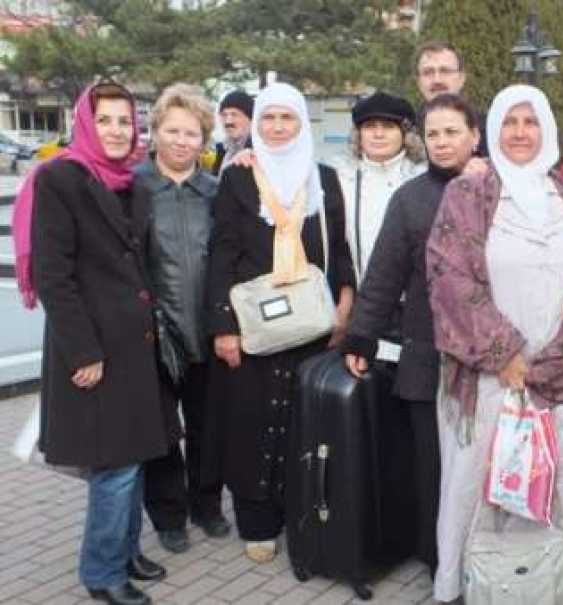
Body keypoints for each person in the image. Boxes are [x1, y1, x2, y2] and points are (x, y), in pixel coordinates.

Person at [426, 84, 563, 603]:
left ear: (547, 129)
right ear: (493, 130)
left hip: (556, 376)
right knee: (476, 483)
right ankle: (472, 585)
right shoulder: (468, 195)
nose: (521, 133)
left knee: (557, 480)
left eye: (531, 122)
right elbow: (449, 279)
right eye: (510, 122)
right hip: (487, 378)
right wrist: (505, 355)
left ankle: (551, 582)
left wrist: (551, 358)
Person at [16, 82, 176, 605]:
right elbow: (53, 276)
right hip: (95, 348)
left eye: (125, 120)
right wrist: (83, 352)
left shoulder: (133, 182)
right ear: (84, 123)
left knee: (137, 455)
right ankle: (102, 572)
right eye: (104, 120)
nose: (116, 130)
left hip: (137, 344)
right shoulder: (60, 179)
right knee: (115, 465)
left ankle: (126, 552)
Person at [205, 82, 356, 563]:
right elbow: (222, 252)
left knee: (302, 424)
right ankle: (257, 522)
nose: (276, 127)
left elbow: (339, 248)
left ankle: (299, 513)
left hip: (310, 325)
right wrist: (223, 326)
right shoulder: (238, 177)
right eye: (268, 118)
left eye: (286, 118)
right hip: (254, 324)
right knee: (251, 422)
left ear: (301, 123)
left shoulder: (323, 179)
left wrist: (345, 305)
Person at [341, 93, 482, 577]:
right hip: (426, 354)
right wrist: (362, 335)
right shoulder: (411, 199)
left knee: (479, 463)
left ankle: (482, 557)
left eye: (452, 132)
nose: (442, 142)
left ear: (474, 137)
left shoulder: (498, 189)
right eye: (433, 133)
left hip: (487, 359)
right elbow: (384, 275)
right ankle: (437, 558)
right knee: (431, 464)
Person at [134, 83, 231, 555]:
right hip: (154, 333)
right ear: (155, 132)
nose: (181, 141)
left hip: (208, 331)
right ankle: (169, 515)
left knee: (208, 428)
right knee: (162, 433)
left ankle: (206, 504)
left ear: (204, 139)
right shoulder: (133, 189)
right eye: (172, 130)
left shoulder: (216, 191)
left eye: (191, 133)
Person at [330, 91, 425, 288]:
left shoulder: (422, 177)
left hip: (414, 297)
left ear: (405, 134)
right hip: (362, 295)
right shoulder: (340, 179)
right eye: (370, 126)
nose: (378, 134)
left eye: (388, 126)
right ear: (358, 134)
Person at [414, 40, 489, 157]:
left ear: (461, 78)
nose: (437, 80)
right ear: (418, 82)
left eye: (445, 71)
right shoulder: (408, 130)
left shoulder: (488, 131)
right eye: (428, 72)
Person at [211, 90, 254, 175]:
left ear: (250, 118)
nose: (228, 121)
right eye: (224, 115)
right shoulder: (223, 149)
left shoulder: (257, 152)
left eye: (234, 115)